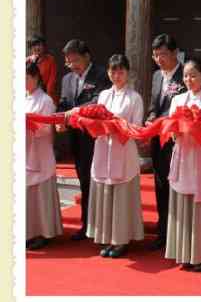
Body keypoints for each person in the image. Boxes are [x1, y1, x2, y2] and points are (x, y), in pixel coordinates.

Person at [165, 58, 201, 271]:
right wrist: (176, 131)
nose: (189, 80)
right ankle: (183, 251)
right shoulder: (177, 100)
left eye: (193, 75)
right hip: (182, 154)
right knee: (182, 203)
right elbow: (170, 130)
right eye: (186, 76)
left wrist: (199, 132)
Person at [86, 54, 144, 258]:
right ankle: (108, 237)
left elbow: (137, 127)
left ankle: (121, 240)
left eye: (120, 71)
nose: (117, 75)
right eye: (113, 71)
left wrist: (118, 126)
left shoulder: (134, 98)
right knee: (106, 194)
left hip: (123, 149)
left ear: (128, 72)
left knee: (122, 197)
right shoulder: (103, 96)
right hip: (104, 147)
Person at [56, 39, 111, 240]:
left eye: (75, 61)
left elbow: (98, 101)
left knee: (95, 179)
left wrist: (76, 111)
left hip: (95, 137)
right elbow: (63, 103)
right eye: (69, 62)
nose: (72, 66)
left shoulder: (101, 74)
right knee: (83, 179)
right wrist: (60, 119)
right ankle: (86, 224)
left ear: (87, 57)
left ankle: (99, 224)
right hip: (76, 137)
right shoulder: (67, 79)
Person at [145, 33, 185, 251]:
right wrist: (151, 117)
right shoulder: (157, 77)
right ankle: (162, 230)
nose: (159, 59)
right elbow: (154, 104)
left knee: (175, 185)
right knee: (160, 183)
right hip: (157, 138)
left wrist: (163, 121)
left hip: (176, 140)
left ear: (175, 53)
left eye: (163, 55)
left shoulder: (185, 76)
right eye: (156, 55)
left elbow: (183, 108)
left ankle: (176, 232)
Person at [26, 62, 63, 250]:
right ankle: (27, 232)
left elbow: (46, 127)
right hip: (24, 150)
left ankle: (43, 232)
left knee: (40, 194)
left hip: (40, 151)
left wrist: (28, 123)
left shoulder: (45, 101)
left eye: (26, 78)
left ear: (36, 78)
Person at [26, 35, 58, 105]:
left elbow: (52, 81)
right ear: (30, 48)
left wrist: (46, 98)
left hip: (47, 95)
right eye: (34, 45)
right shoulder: (27, 61)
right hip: (31, 96)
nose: (37, 47)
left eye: (39, 45)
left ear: (44, 46)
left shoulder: (50, 60)